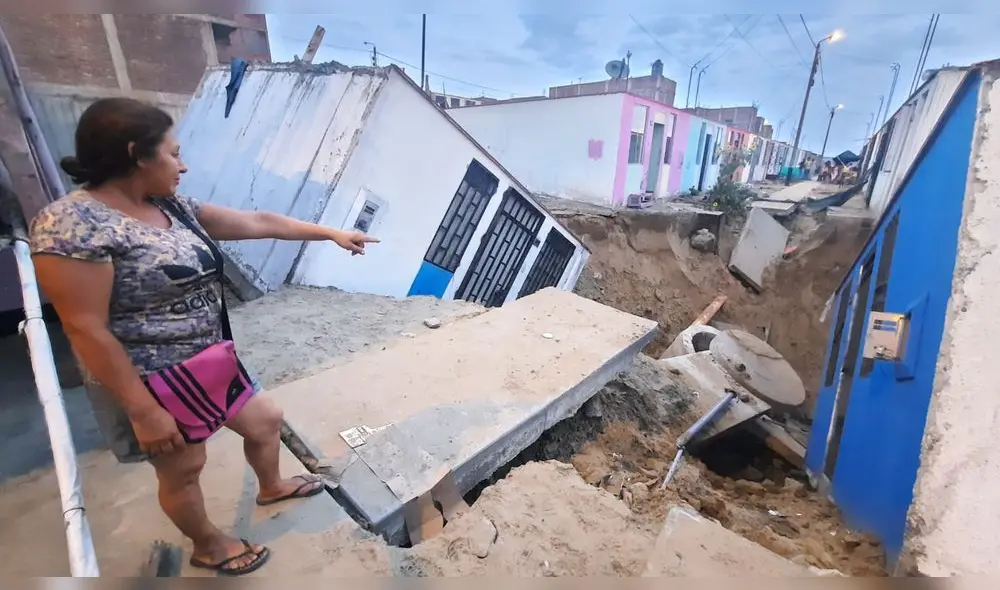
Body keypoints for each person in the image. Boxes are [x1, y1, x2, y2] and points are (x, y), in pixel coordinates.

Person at [29, 98, 379, 576]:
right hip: (151, 381)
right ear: (137, 154)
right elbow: (84, 326)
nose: (183, 164)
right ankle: (209, 544)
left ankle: (271, 485)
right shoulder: (72, 225)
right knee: (184, 469)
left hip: (210, 359)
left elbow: (256, 222)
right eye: (174, 153)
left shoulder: (168, 204)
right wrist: (144, 410)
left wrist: (330, 233)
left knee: (265, 421)